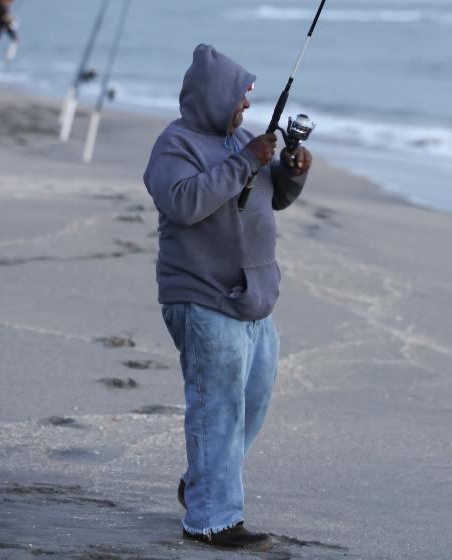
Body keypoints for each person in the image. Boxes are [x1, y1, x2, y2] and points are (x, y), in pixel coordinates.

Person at [143, 44, 311, 551]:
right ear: (216, 96)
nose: (246, 108)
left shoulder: (242, 141)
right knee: (217, 408)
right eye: (240, 98)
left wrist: (291, 170)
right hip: (202, 296)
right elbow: (183, 202)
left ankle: (203, 484)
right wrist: (245, 161)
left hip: (254, 298)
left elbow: (271, 198)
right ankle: (212, 519)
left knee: (251, 405)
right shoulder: (175, 145)